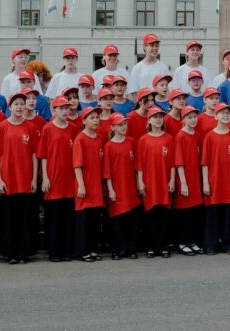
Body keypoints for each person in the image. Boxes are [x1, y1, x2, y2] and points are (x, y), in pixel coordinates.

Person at [0, 91, 39, 264]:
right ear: (10, 107)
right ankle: (10, 253)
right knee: (8, 219)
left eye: (22, 104)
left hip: (26, 179)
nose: (19, 107)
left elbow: (35, 154)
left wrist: (34, 179)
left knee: (25, 218)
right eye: (16, 104)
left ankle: (24, 252)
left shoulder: (31, 127)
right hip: (8, 179)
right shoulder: (2, 127)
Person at [38, 96, 76, 262]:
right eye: (60, 108)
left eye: (66, 108)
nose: (64, 111)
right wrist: (45, 177)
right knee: (53, 218)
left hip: (69, 179)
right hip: (53, 178)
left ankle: (67, 250)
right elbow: (43, 155)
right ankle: (54, 251)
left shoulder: (73, 129)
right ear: (54, 110)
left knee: (68, 217)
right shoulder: (47, 129)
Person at [136, 107, 175, 258]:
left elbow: (173, 163)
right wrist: (140, 182)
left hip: (164, 182)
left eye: (160, 117)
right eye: (155, 117)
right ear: (149, 120)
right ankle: (151, 246)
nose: (158, 119)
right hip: (149, 182)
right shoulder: (143, 140)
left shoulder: (169, 139)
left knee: (164, 216)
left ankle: (164, 246)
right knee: (150, 216)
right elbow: (139, 164)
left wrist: (172, 180)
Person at [201, 103, 230, 255]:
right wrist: (205, 182)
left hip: (228, 181)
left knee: (228, 213)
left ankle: (229, 244)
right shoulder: (209, 137)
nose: (225, 116)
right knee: (213, 214)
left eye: (228, 113)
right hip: (214, 181)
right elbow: (205, 162)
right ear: (215, 116)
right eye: (222, 113)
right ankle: (211, 244)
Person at [103, 113, 140, 260]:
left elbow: (136, 166)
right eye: (119, 125)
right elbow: (107, 171)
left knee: (131, 220)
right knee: (117, 222)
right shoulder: (109, 146)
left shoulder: (131, 142)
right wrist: (110, 189)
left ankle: (131, 248)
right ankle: (117, 249)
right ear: (112, 127)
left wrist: (138, 182)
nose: (123, 127)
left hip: (130, 187)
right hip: (117, 187)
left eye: (124, 124)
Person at [73, 106, 107, 262]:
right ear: (84, 121)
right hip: (85, 183)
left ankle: (92, 249)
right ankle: (82, 250)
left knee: (94, 218)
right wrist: (81, 184)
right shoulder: (80, 139)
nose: (96, 120)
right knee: (84, 219)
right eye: (92, 118)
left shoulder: (100, 139)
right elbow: (77, 164)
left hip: (96, 184)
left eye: (97, 117)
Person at [172, 105, 204, 256]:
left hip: (195, 178)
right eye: (189, 117)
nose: (193, 120)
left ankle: (192, 241)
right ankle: (183, 242)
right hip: (185, 178)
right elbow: (179, 161)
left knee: (195, 212)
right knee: (185, 213)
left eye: (194, 117)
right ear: (183, 119)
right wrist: (183, 183)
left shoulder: (196, 136)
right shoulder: (180, 136)